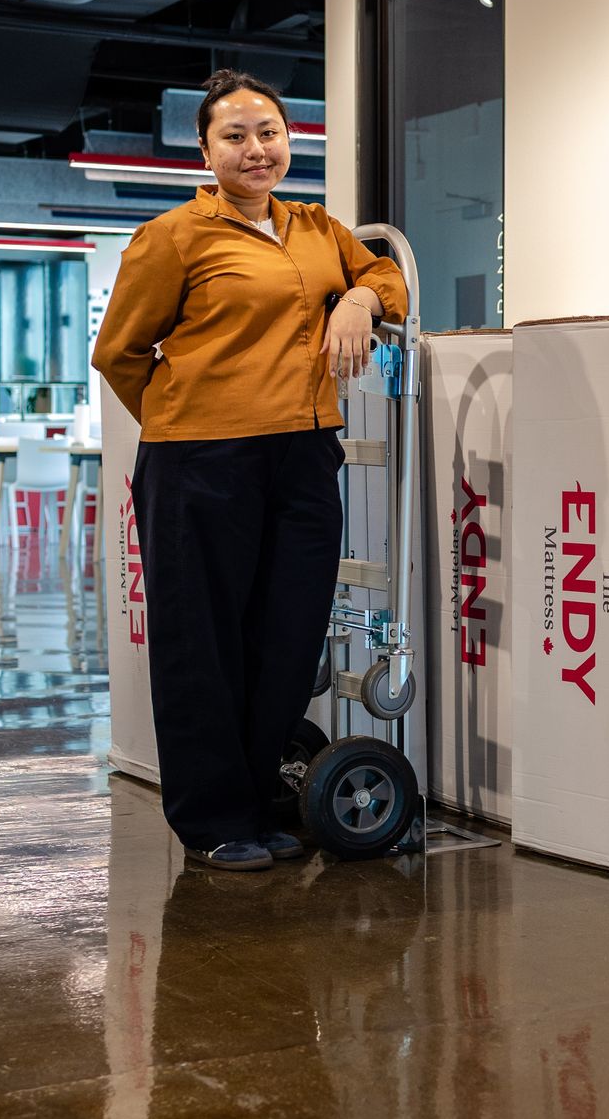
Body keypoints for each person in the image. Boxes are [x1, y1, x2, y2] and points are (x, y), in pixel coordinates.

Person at [91, 70, 408, 871]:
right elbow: (119, 353)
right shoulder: (175, 238)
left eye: (267, 132)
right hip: (201, 459)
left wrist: (358, 304)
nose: (255, 149)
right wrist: (185, 418)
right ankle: (212, 820)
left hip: (304, 455)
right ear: (206, 150)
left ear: (288, 140)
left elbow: (385, 276)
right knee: (203, 642)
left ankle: (261, 795)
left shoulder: (315, 228)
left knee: (286, 636)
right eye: (234, 136)